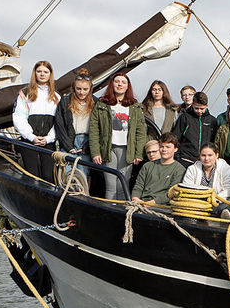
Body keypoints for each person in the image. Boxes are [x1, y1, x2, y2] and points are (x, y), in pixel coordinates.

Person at [89, 72, 147, 200]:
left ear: (127, 86)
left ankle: (122, 213)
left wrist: (138, 153)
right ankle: (110, 211)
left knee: (123, 185)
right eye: (117, 81)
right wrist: (95, 152)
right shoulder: (102, 105)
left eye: (123, 82)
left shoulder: (134, 106)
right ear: (112, 84)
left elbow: (141, 131)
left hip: (127, 150)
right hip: (108, 149)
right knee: (110, 186)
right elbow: (94, 130)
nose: (120, 84)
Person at [13, 60, 60, 182]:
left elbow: (58, 122)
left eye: (45, 72)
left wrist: (49, 138)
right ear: (35, 73)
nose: (42, 74)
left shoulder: (56, 97)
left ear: (50, 74)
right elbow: (19, 117)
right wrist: (30, 136)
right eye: (39, 71)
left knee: (48, 176)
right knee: (31, 175)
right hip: (29, 140)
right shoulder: (25, 93)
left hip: (48, 141)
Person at [53, 67, 96, 170]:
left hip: (86, 143)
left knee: (83, 175)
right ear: (74, 87)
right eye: (78, 89)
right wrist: (68, 146)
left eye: (85, 89)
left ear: (90, 89)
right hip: (70, 140)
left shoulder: (96, 103)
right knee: (67, 173)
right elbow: (60, 125)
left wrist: (88, 147)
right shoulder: (65, 101)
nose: (81, 92)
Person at [182, 142, 230, 217]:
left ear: (216, 155)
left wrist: (212, 199)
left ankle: (221, 213)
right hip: (197, 203)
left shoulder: (225, 168)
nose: (206, 158)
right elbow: (187, 189)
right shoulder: (192, 169)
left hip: (218, 202)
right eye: (203, 155)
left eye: (210, 155)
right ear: (199, 156)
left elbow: (229, 190)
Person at [131, 133, 186, 205]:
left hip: (163, 206)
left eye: (168, 147)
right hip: (141, 203)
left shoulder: (180, 170)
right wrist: (136, 199)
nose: (164, 149)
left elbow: (171, 193)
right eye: (161, 146)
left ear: (175, 149)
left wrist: (153, 202)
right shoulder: (147, 166)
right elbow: (138, 186)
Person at [171, 91, 219, 167]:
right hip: (185, 159)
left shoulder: (212, 120)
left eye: (202, 108)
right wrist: (177, 157)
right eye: (196, 108)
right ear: (192, 104)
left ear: (206, 106)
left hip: (204, 160)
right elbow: (175, 138)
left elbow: (213, 141)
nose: (199, 111)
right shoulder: (184, 118)